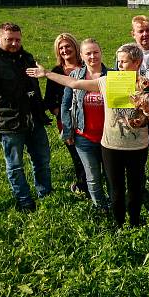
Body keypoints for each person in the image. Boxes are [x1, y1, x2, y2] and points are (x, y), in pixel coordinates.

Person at [28, 43, 149, 227]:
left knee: (135, 189)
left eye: (123, 62)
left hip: (137, 147)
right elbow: (75, 83)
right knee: (115, 189)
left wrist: (147, 110)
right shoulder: (108, 81)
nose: (119, 66)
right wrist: (47, 74)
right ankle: (119, 225)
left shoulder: (148, 87)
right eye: (118, 62)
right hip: (111, 146)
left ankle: (135, 224)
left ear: (137, 62)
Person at [0, 22, 52, 211]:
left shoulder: (26, 57)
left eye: (17, 39)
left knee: (42, 161)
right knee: (15, 166)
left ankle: (46, 197)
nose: (15, 44)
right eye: (9, 40)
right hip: (9, 122)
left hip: (34, 120)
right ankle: (25, 202)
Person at [60, 38, 109, 211]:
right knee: (93, 176)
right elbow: (65, 105)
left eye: (96, 52)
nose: (92, 56)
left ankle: (115, 205)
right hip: (84, 137)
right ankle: (101, 209)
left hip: (108, 138)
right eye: (88, 53)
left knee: (111, 176)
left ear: (101, 53)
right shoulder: (75, 76)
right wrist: (68, 132)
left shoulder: (112, 75)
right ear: (81, 55)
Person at [44, 33, 88, 195]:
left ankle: (94, 182)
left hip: (90, 118)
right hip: (66, 121)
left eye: (68, 46)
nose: (65, 50)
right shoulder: (56, 71)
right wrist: (61, 115)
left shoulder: (87, 66)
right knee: (76, 154)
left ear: (75, 47)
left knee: (92, 153)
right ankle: (83, 185)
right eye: (61, 48)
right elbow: (49, 100)